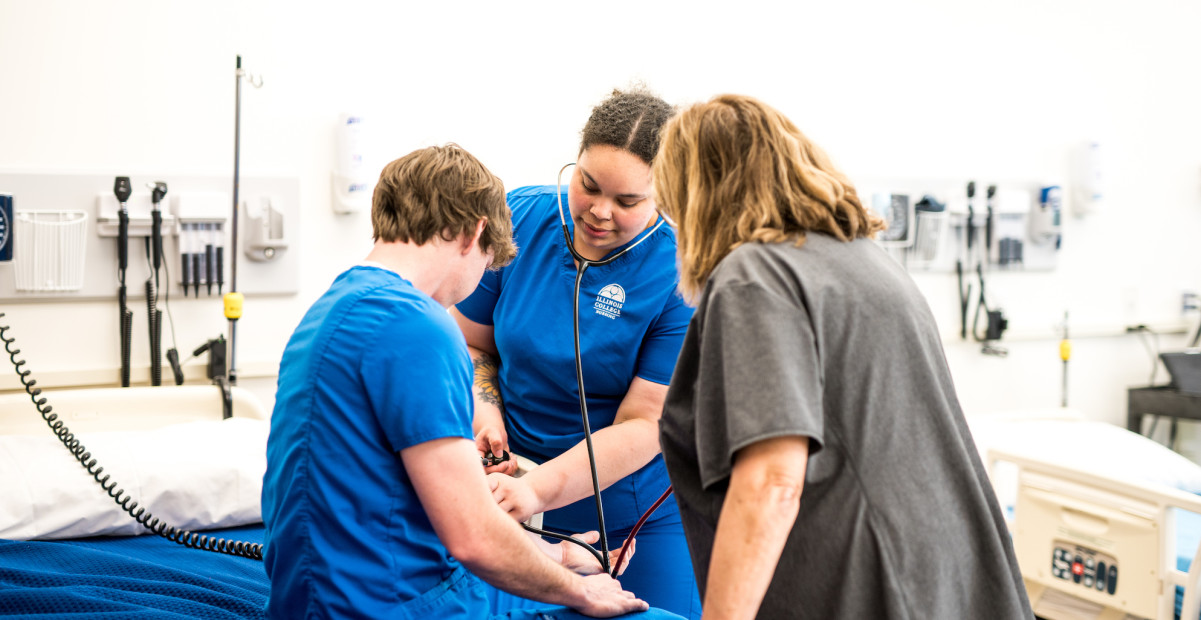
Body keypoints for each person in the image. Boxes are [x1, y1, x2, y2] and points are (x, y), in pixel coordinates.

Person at [652, 94, 1035, 619]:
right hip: (950, 570)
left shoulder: (755, 276)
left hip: (863, 581)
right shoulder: (865, 260)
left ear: (699, 197)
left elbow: (771, 481)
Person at [262, 144, 677, 619]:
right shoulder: (420, 329)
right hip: (401, 604)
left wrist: (561, 555)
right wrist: (578, 590)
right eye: (490, 263)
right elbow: (473, 536)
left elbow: (417, 507)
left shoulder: (331, 310)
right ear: (476, 233)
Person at [452, 87, 702, 619]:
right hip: (509, 486)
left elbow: (644, 423)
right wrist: (485, 404)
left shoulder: (681, 273)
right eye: (588, 185)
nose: (600, 212)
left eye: (628, 202)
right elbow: (472, 342)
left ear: (666, 196)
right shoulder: (520, 217)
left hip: (628, 513)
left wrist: (539, 491)